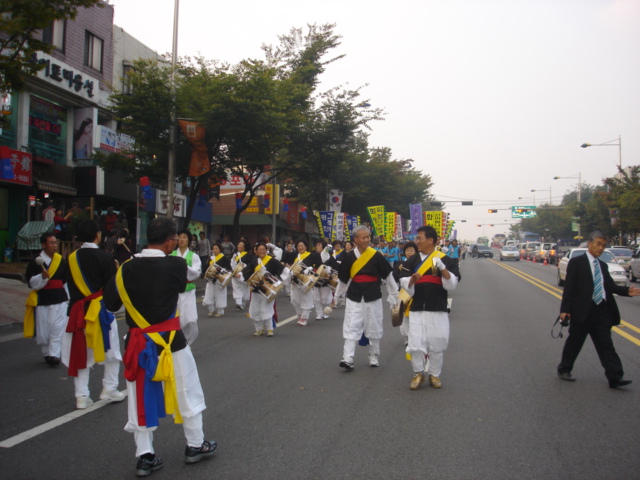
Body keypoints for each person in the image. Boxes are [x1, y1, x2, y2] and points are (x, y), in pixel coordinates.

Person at [104, 217, 216, 477]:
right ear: (169, 241)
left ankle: (145, 456)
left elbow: (111, 304)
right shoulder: (176, 264)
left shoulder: (124, 269)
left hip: (138, 343)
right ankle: (195, 445)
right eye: (175, 239)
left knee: (139, 397)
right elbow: (188, 278)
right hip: (170, 341)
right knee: (187, 390)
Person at [556, 231, 640, 388]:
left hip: (601, 311)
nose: (601, 248)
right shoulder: (577, 262)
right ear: (590, 244)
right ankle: (564, 369)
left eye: (603, 245)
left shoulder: (602, 265)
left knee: (606, 345)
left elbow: (610, 287)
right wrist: (565, 309)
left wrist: (627, 292)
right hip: (582, 311)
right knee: (575, 343)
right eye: (598, 244)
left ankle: (615, 377)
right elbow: (569, 287)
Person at [61, 220, 125, 409]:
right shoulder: (105, 258)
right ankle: (110, 389)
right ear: (97, 235)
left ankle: (82, 396)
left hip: (77, 312)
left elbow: (67, 286)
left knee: (80, 353)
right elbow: (112, 289)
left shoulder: (71, 258)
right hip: (100, 311)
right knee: (111, 352)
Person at [398, 226, 460, 390]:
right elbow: (402, 280)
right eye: (417, 238)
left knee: (437, 341)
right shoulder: (412, 260)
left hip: (437, 306)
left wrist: (442, 269)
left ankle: (434, 374)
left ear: (431, 240)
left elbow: (452, 283)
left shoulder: (445, 259)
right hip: (417, 307)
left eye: (420, 238)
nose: (417, 241)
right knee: (416, 342)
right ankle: (418, 372)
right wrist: (411, 280)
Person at [333, 225, 398, 369]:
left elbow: (388, 276)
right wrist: (337, 296)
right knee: (351, 325)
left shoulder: (376, 255)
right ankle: (347, 358)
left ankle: (374, 355)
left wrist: (394, 295)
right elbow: (343, 280)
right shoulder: (349, 257)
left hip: (373, 295)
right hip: (354, 296)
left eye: (368, 237)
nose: (367, 240)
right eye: (363, 237)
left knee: (374, 325)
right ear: (355, 239)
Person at [24, 233, 69, 367]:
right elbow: (31, 283)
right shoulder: (35, 262)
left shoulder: (60, 260)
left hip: (60, 299)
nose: (55, 246)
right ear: (43, 245)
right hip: (43, 300)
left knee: (57, 328)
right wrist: (42, 278)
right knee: (44, 332)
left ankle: (54, 355)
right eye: (51, 243)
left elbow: (65, 281)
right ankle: (47, 353)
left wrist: (69, 298)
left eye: (56, 243)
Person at [242, 242, 288, 336]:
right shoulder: (254, 261)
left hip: (268, 289)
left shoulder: (272, 260)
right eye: (260, 250)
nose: (262, 251)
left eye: (263, 249)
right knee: (255, 309)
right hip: (256, 289)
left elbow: (282, 269)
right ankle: (259, 328)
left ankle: (269, 329)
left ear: (266, 250)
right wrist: (241, 275)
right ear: (257, 251)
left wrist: (289, 273)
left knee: (267, 309)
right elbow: (246, 271)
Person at [170, 229, 201, 343]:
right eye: (179, 237)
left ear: (189, 240)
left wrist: (183, 266)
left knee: (190, 319)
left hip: (188, 291)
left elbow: (196, 273)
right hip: (174, 291)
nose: (182, 239)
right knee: (176, 318)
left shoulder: (193, 256)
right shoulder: (171, 255)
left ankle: (187, 342)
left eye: (184, 237)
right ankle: (178, 343)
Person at [289, 239, 322, 326]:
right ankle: (299, 316)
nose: (300, 247)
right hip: (295, 281)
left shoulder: (311, 255)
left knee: (306, 299)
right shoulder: (295, 256)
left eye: (302, 246)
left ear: (306, 246)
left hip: (306, 281)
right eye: (298, 246)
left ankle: (304, 317)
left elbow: (318, 266)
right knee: (295, 299)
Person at [202, 243, 230, 317]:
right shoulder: (210, 258)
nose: (214, 250)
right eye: (213, 249)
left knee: (220, 295)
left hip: (219, 279)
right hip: (211, 279)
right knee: (209, 294)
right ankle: (211, 310)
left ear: (220, 249)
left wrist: (221, 273)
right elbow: (205, 268)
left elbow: (228, 268)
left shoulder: (223, 258)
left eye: (216, 249)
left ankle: (220, 311)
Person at [313, 240, 337, 321]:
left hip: (326, 279)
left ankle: (326, 312)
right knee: (316, 297)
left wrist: (330, 272)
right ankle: (319, 313)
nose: (317, 246)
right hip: (316, 278)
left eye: (319, 245)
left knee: (325, 297)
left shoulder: (329, 256)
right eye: (317, 245)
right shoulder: (314, 255)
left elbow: (335, 266)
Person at [231, 240, 252, 311]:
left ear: (244, 247)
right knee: (236, 288)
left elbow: (250, 265)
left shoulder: (249, 255)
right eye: (238, 245)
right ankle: (238, 303)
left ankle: (242, 303)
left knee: (243, 289)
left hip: (243, 275)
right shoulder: (235, 255)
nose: (239, 246)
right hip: (235, 274)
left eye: (241, 245)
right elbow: (231, 263)